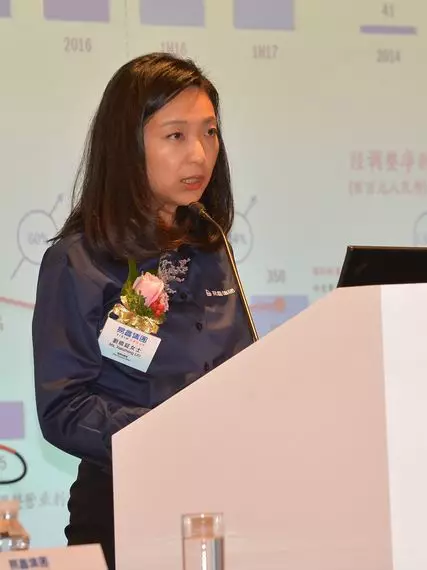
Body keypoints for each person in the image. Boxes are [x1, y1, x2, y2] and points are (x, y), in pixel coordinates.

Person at [31, 52, 255, 570]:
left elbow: (238, 370)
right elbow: (63, 408)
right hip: (124, 507)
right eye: (176, 135)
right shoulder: (77, 259)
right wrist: (169, 435)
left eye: (210, 132)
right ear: (128, 145)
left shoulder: (210, 244)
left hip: (218, 502)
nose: (199, 154)